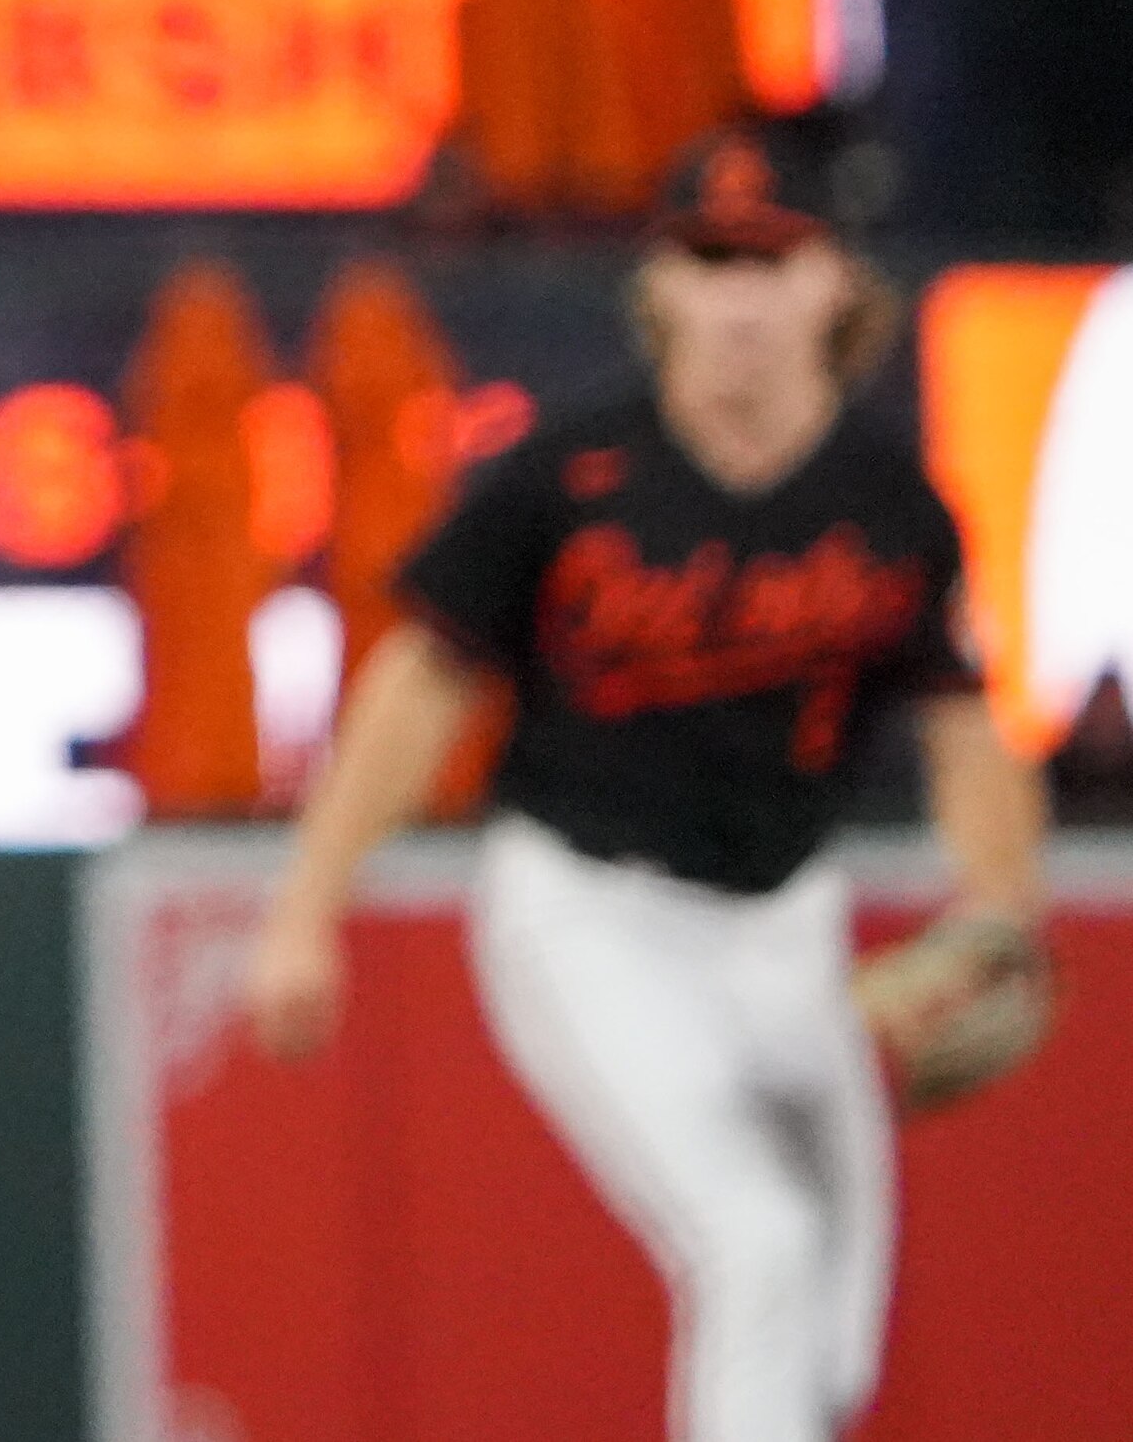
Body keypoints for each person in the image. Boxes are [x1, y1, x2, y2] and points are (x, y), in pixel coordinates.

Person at [241, 131, 1049, 1442]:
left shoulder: (892, 504)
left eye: (769, 261)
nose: (737, 296)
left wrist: (1001, 903)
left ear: (835, 285)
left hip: (786, 926)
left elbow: (964, 731)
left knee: (832, 1343)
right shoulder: (564, 477)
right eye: (707, 261)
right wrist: (304, 907)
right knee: (755, 1241)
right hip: (590, 915)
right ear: (658, 288)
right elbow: (418, 685)